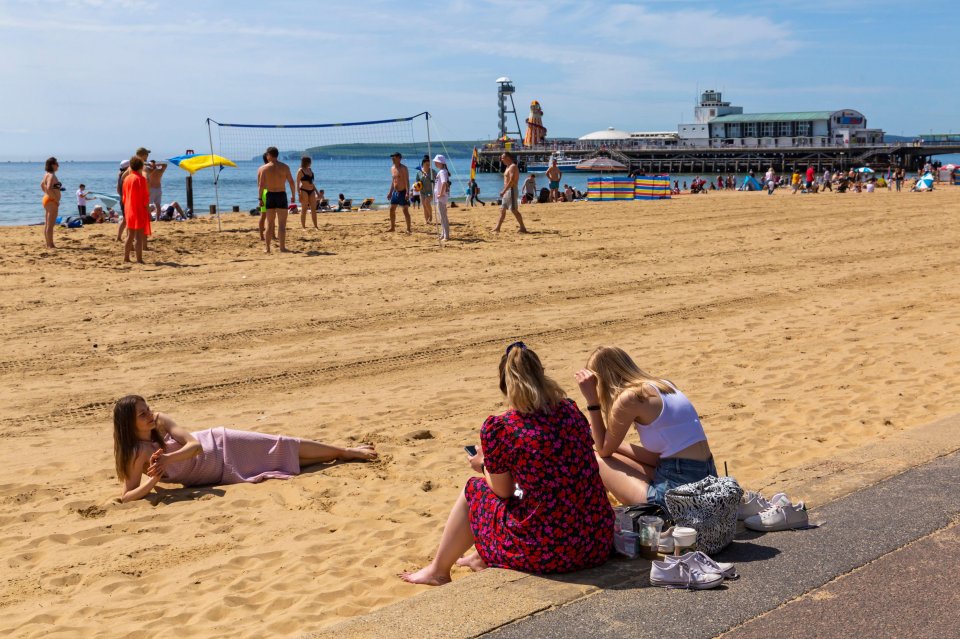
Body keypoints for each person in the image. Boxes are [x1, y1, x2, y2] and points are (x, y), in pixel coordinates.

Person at [400, 342, 613, 586]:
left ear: (504, 385)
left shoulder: (502, 427)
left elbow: (503, 491)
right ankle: (477, 558)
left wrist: (482, 465)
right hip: (596, 541)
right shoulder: (570, 410)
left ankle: (438, 570)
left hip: (551, 552)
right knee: (536, 495)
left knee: (475, 489)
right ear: (542, 375)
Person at [112, 395, 377, 503]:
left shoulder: (161, 421)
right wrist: (154, 480)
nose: (149, 415)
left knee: (282, 444)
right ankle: (340, 454)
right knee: (281, 462)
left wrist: (168, 459)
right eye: (141, 414)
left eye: (147, 409)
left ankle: (345, 451)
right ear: (129, 423)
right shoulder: (138, 454)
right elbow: (126, 496)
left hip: (222, 443)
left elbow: (195, 446)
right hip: (220, 473)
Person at [575, 346, 716, 509]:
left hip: (680, 494)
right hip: (704, 477)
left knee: (595, 459)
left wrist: (593, 402)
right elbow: (660, 458)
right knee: (614, 457)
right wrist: (610, 443)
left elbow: (603, 451)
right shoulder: (665, 385)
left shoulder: (630, 398)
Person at [257, 146, 296, 253]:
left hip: (270, 195)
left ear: (269, 155)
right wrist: (293, 195)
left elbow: (260, 186)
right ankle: (282, 248)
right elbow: (292, 183)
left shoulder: (263, 168)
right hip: (281, 195)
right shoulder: (285, 167)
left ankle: (268, 248)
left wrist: (260, 198)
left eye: (267, 154)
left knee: (269, 224)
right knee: (282, 224)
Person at [121, 156, 151, 263]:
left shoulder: (127, 179)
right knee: (139, 236)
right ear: (141, 166)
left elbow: (124, 196)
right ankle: (139, 259)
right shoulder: (141, 179)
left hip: (129, 209)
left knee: (130, 235)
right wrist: (148, 211)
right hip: (138, 209)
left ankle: (126, 258)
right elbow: (145, 197)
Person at [493, 152, 527, 233]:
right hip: (507, 191)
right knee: (502, 209)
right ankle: (497, 228)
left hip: (511, 190)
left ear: (508, 158)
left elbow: (512, 181)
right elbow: (507, 181)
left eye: (503, 158)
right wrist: (504, 190)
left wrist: (504, 190)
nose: (501, 160)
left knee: (514, 210)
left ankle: (523, 227)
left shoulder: (512, 167)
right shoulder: (507, 167)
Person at [387, 152, 412, 233]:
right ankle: (392, 227)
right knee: (392, 209)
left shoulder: (403, 168)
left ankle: (408, 229)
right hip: (395, 192)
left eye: (393, 157)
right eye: (392, 157)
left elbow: (407, 181)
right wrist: (390, 192)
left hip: (403, 191)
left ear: (399, 158)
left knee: (405, 210)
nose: (392, 159)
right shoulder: (392, 168)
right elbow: (393, 181)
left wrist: (407, 192)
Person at [40, 157, 62, 249]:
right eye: (57, 164)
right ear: (53, 165)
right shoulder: (51, 175)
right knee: (51, 224)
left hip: (47, 199)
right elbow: (48, 188)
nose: (58, 166)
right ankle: (51, 245)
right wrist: (55, 199)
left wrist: (47, 194)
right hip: (51, 201)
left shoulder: (47, 174)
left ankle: (48, 244)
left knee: (47, 223)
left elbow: (42, 185)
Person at [296, 156, 319, 230]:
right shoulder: (300, 170)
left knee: (313, 209)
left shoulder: (310, 169)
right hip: (304, 190)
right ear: (307, 162)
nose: (311, 163)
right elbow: (297, 183)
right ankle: (303, 227)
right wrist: (299, 194)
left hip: (311, 190)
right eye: (310, 162)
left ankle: (315, 226)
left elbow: (311, 182)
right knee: (304, 209)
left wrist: (317, 191)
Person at [433, 154, 451, 241]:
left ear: (441, 163)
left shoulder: (443, 171)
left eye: (437, 162)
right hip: (439, 197)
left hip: (441, 197)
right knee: (441, 216)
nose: (435, 163)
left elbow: (444, 183)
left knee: (443, 216)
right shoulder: (441, 171)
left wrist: (440, 193)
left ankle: (446, 235)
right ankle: (443, 234)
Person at [416, 157, 435, 224]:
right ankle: (427, 221)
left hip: (430, 191)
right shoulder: (419, 172)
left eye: (429, 164)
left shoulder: (432, 171)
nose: (428, 166)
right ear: (423, 164)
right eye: (427, 164)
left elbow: (436, 180)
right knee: (424, 205)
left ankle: (431, 215)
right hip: (422, 192)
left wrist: (428, 176)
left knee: (427, 202)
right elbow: (417, 181)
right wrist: (417, 185)